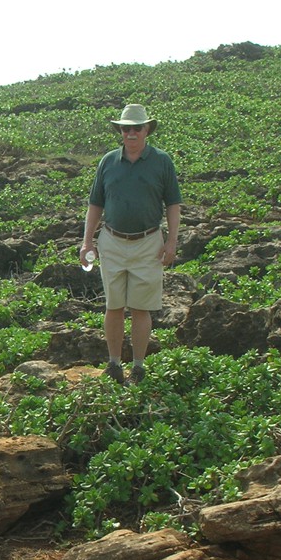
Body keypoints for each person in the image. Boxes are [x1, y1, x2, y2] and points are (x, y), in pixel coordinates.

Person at [80, 104, 182, 385]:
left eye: (137, 127)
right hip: (112, 241)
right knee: (113, 306)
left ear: (147, 129)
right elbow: (95, 203)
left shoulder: (162, 161)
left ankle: (138, 367)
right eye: (126, 128)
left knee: (141, 307)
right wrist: (87, 241)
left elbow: (173, 203)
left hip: (149, 242)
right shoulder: (108, 162)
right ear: (120, 131)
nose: (132, 133)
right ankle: (114, 365)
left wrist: (172, 242)